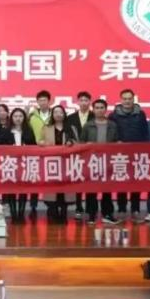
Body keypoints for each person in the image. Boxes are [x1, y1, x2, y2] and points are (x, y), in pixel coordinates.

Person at [108, 89, 149, 222]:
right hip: (120, 154)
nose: (127, 101)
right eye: (124, 99)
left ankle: (135, 209)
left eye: (129, 98)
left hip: (137, 154)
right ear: (121, 100)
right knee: (122, 182)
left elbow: (145, 133)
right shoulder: (113, 115)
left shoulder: (140, 114)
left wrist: (146, 150)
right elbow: (111, 134)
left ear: (133, 99)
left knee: (136, 182)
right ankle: (121, 209)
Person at [80, 99, 120, 225]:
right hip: (92, 161)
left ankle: (107, 214)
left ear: (106, 109)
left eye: (102, 107)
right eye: (97, 107)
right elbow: (81, 142)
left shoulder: (112, 125)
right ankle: (91, 214)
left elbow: (116, 140)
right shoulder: (88, 125)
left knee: (107, 189)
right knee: (91, 189)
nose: (99, 110)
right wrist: (86, 144)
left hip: (108, 161)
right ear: (93, 109)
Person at [0, 108, 36, 221]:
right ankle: (14, 213)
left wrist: (27, 148)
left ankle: (21, 213)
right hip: (10, 164)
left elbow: (34, 145)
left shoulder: (28, 130)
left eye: (20, 116)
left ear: (24, 118)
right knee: (11, 189)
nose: (18, 118)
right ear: (11, 118)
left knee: (23, 189)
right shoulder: (6, 131)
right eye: (15, 116)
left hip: (24, 163)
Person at [43, 105, 77, 222]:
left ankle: (63, 211)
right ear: (52, 115)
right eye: (55, 112)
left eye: (61, 112)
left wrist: (71, 142)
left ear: (64, 114)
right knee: (52, 189)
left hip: (66, 163)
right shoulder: (46, 128)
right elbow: (40, 141)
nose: (58, 114)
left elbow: (77, 142)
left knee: (64, 188)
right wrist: (42, 143)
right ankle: (52, 210)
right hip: (51, 163)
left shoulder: (71, 128)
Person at [66, 91, 94, 219]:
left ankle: (90, 207)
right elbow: (68, 134)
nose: (83, 103)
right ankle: (78, 206)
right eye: (81, 100)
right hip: (76, 153)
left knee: (90, 180)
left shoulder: (94, 116)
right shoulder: (71, 117)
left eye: (86, 100)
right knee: (78, 179)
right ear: (78, 102)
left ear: (89, 102)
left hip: (91, 153)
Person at [27, 90, 52, 216]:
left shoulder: (55, 114)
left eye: (45, 100)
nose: (42, 102)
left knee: (50, 179)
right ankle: (33, 205)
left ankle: (50, 204)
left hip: (52, 151)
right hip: (35, 151)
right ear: (37, 102)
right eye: (40, 100)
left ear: (49, 101)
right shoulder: (32, 116)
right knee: (34, 178)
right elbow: (27, 131)